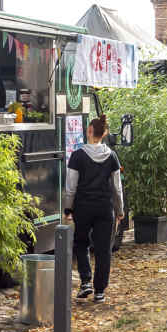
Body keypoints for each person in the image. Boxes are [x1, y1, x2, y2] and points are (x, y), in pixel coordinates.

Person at [64, 116, 124, 303]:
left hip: (83, 208)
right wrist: (120, 210)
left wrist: (68, 209)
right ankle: (99, 291)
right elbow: (117, 188)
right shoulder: (112, 156)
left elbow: (71, 187)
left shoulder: (77, 156)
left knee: (81, 244)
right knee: (103, 249)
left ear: (89, 131)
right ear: (104, 133)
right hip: (105, 208)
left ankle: (85, 282)